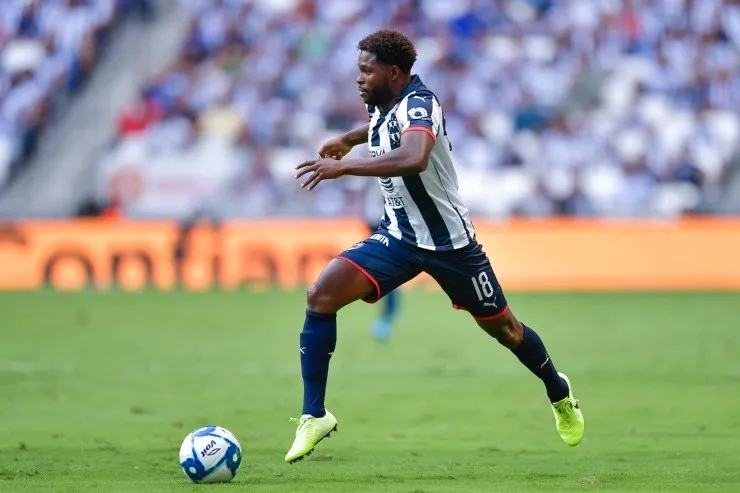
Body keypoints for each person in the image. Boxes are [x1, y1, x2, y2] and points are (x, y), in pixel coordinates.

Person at [285, 29, 584, 464]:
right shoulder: (383, 104)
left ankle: (558, 391)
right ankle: (314, 415)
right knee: (321, 296)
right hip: (398, 236)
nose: (359, 79)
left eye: (367, 71)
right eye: (359, 70)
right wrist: (350, 139)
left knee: (507, 331)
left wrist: (346, 166)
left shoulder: (421, 104)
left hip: (451, 244)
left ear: (394, 72)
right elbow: (383, 126)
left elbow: (415, 156)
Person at [362, 179, 401, 342]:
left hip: (387, 223)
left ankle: (387, 317)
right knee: (385, 271)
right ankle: (387, 315)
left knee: (387, 271)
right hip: (375, 221)